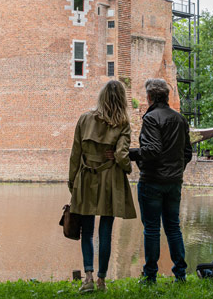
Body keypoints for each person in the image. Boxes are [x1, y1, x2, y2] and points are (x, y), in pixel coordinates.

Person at [68, 80, 137, 293]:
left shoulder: (84, 119)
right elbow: (122, 155)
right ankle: (101, 280)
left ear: (101, 97)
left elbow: (75, 154)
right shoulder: (123, 123)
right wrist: (126, 168)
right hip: (110, 179)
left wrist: (72, 181)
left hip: (86, 178)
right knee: (106, 231)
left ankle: (87, 277)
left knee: (86, 231)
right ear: (122, 100)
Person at [128, 78, 193, 284]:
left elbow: (152, 150)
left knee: (152, 229)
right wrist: (176, 170)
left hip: (153, 181)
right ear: (166, 96)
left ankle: (150, 276)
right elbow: (188, 153)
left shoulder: (151, 118)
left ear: (149, 97)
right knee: (173, 227)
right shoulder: (180, 119)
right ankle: (180, 274)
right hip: (174, 182)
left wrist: (128, 153)